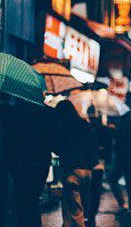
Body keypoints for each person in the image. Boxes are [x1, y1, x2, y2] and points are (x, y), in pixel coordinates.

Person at [1, 96, 54, 227]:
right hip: (41, 162)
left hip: (22, 164)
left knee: (22, 203)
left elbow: (11, 142)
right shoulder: (46, 113)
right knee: (33, 201)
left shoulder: (15, 113)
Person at [54, 100, 99, 227]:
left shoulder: (63, 127)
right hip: (87, 171)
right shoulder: (85, 124)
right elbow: (93, 146)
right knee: (80, 209)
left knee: (75, 213)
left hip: (72, 171)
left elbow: (57, 148)